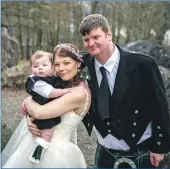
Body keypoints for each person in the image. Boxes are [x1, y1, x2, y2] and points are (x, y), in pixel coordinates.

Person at [25, 14, 170, 168]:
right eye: (86, 39)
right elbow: (50, 86)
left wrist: (160, 147)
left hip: (140, 146)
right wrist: (30, 112)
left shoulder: (143, 64)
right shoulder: (80, 64)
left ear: (109, 35)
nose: (91, 43)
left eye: (96, 37)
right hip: (104, 149)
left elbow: (159, 106)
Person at [2, 43, 91, 168]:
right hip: (35, 141)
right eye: (57, 64)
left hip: (54, 151)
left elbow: (39, 113)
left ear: (78, 63)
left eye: (66, 63)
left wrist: (28, 101)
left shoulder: (78, 92)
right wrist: (29, 120)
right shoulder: (64, 84)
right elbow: (44, 100)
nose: (61, 68)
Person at [24, 50, 70, 164]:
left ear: (51, 68)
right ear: (31, 69)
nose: (40, 68)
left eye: (44, 65)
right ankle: (39, 150)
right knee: (47, 132)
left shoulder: (52, 78)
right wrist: (66, 91)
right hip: (43, 110)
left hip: (48, 108)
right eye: (36, 66)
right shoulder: (36, 82)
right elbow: (51, 92)